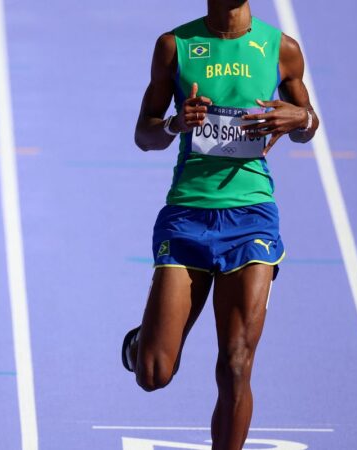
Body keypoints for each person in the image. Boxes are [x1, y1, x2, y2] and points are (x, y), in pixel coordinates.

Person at [121, 0, 318, 448]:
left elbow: (308, 125)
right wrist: (174, 124)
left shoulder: (281, 48)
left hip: (251, 219)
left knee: (236, 365)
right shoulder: (175, 46)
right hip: (188, 215)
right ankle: (139, 343)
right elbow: (143, 134)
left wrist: (300, 117)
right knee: (154, 373)